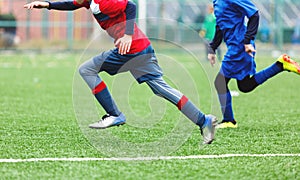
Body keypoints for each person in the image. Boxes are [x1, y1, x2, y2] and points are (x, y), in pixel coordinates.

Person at [24, 0, 217, 144]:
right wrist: (47, 4)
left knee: (87, 69)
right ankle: (203, 120)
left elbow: (130, 6)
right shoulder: (87, 1)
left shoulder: (102, 1)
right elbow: (71, 4)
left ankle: (114, 114)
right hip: (142, 48)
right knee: (161, 89)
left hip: (131, 49)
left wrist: (127, 35)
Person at [208, 0, 300, 128]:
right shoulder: (217, 2)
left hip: (240, 47)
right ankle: (280, 65)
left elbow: (254, 14)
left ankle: (229, 120)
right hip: (235, 46)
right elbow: (220, 25)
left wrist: (247, 41)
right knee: (245, 86)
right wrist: (212, 48)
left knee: (220, 82)